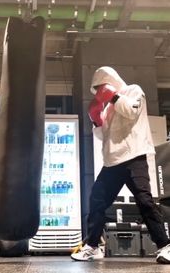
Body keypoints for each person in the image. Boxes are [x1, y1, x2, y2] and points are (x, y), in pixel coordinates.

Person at [71, 66, 170, 263]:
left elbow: (132, 112)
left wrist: (113, 96)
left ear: (110, 79)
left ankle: (165, 246)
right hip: (112, 162)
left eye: (102, 85)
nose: (99, 89)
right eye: (97, 87)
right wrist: (97, 121)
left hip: (135, 156)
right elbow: (103, 136)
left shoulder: (133, 90)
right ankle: (93, 246)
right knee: (96, 201)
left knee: (145, 202)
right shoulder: (107, 106)